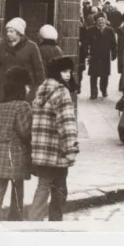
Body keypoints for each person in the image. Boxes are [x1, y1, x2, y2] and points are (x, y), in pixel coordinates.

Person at [29, 56, 79, 221]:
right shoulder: (61, 92)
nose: (68, 75)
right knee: (59, 189)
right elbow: (67, 123)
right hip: (57, 151)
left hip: (42, 150)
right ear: (56, 72)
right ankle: (56, 222)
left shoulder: (41, 90)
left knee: (42, 187)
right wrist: (71, 148)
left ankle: (33, 221)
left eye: (69, 71)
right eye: (64, 71)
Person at [0, 67, 33, 222]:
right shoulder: (23, 106)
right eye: (27, 85)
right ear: (20, 87)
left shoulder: (1, 106)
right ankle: (15, 220)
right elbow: (25, 132)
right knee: (17, 190)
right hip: (14, 155)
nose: (29, 89)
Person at [0, 18, 45, 119]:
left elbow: (39, 69)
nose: (8, 34)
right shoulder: (1, 48)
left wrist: (38, 88)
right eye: (7, 31)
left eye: (11, 31)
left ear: (19, 33)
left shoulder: (31, 47)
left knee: (23, 118)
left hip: (25, 89)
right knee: (2, 115)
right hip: (6, 88)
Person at [81, 12, 117, 99]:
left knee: (105, 75)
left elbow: (113, 44)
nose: (101, 22)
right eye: (99, 20)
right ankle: (93, 93)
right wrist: (87, 54)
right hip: (94, 56)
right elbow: (85, 43)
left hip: (105, 56)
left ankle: (104, 90)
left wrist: (114, 54)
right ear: (96, 21)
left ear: (105, 20)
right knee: (93, 75)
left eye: (102, 20)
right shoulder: (90, 30)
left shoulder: (110, 30)